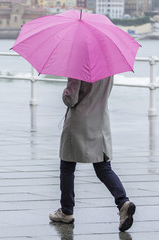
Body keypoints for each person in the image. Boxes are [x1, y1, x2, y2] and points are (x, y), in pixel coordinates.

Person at [49, 76, 136, 232]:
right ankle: (123, 202)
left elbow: (71, 98)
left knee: (67, 166)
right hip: (100, 121)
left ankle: (66, 211)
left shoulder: (78, 66)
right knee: (103, 168)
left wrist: (65, 93)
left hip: (78, 121)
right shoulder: (108, 67)